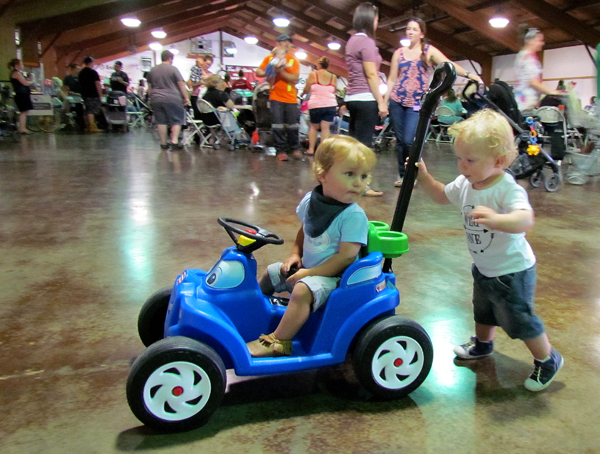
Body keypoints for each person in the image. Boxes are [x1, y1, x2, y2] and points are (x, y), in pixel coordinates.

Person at [414, 109, 564, 392]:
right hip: (484, 267)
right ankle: (483, 344)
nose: (462, 166)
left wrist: (499, 220)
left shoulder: (506, 189)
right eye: (459, 158)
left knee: (519, 319)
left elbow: (525, 219)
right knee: (483, 310)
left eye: (470, 160)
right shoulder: (465, 184)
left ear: (499, 160)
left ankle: (547, 358)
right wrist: (424, 177)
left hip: (513, 270)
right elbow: (440, 194)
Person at [246, 135, 376, 357]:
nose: (359, 183)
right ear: (322, 174)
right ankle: (252, 315)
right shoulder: (310, 201)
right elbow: (304, 231)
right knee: (272, 272)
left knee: (302, 291)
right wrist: (295, 255)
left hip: (337, 279)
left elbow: (345, 257)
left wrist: (309, 273)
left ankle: (280, 341)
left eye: (364, 176)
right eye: (350, 174)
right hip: (309, 269)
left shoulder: (353, 216)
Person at [385, 18, 483, 188]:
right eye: (408, 29)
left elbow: (449, 65)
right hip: (397, 101)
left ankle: (412, 173)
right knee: (400, 141)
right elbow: (392, 78)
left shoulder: (428, 51)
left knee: (409, 140)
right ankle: (403, 175)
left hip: (416, 103)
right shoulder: (398, 53)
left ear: (421, 33)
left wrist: (469, 75)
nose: (410, 32)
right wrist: (383, 101)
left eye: (414, 29)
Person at [344, 2, 387, 196]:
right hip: (365, 97)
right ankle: (362, 185)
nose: (378, 22)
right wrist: (381, 101)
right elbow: (371, 74)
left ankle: (348, 182)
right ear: (370, 19)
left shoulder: (352, 40)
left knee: (354, 144)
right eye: (377, 18)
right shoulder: (367, 42)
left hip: (352, 96)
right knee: (363, 146)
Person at [256, 33, 302, 161]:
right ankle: (280, 151)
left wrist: (281, 71)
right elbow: (259, 72)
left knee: (293, 125)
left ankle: (295, 148)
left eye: (288, 42)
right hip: (275, 97)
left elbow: (295, 78)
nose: (287, 44)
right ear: (278, 43)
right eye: (283, 41)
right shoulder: (270, 58)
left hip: (291, 97)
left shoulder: (293, 60)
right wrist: (271, 70)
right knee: (277, 125)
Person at [147, 49, 191, 150]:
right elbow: (181, 84)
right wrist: (186, 97)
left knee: (160, 121)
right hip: (172, 98)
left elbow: (150, 87)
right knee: (176, 119)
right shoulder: (173, 69)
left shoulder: (153, 69)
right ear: (170, 58)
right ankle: (174, 141)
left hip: (156, 98)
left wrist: (151, 98)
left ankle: (163, 143)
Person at [514, 28, 558, 113]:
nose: (542, 43)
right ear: (530, 41)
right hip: (525, 102)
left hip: (526, 100)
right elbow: (533, 82)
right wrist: (552, 92)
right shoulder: (528, 58)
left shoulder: (525, 55)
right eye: (540, 40)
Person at [301, 56, 338, 156]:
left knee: (313, 127)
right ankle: (322, 152)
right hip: (330, 105)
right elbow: (334, 90)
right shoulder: (333, 77)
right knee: (325, 128)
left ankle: (311, 150)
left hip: (316, 105)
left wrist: (302, 94)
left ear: (319, 64)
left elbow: (306, 88)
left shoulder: (314, 74)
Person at [78, 56, 104, 133]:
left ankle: (87, 126)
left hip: (84, 93)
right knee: (91, 110)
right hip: (92, 93)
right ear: (90, 63)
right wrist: (100, 94)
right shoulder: (93, 72)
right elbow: (97, 84)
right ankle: (92, 126)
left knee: (86, 110)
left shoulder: (81, 73)